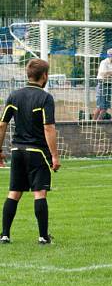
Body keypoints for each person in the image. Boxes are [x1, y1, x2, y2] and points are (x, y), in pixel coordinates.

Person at [0, 59, 61, 245]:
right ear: (44, 76)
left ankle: (4, 234)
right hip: (37, 153)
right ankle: (43, 237)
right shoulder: (45, 98)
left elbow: (2, 124)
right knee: (39, 193)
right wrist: (55, 155)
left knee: (14, 192)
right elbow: (48, 128)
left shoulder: (14, 96)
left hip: (17, 151)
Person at [93, 48, 112, 120]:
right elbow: (104, 74)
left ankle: (99, 121)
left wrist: (111, 74)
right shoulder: (104, 62)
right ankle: (93, 122)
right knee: (100, 106)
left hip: (110, 86)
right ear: (108, 55)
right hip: (102, 85)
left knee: (106, 107)